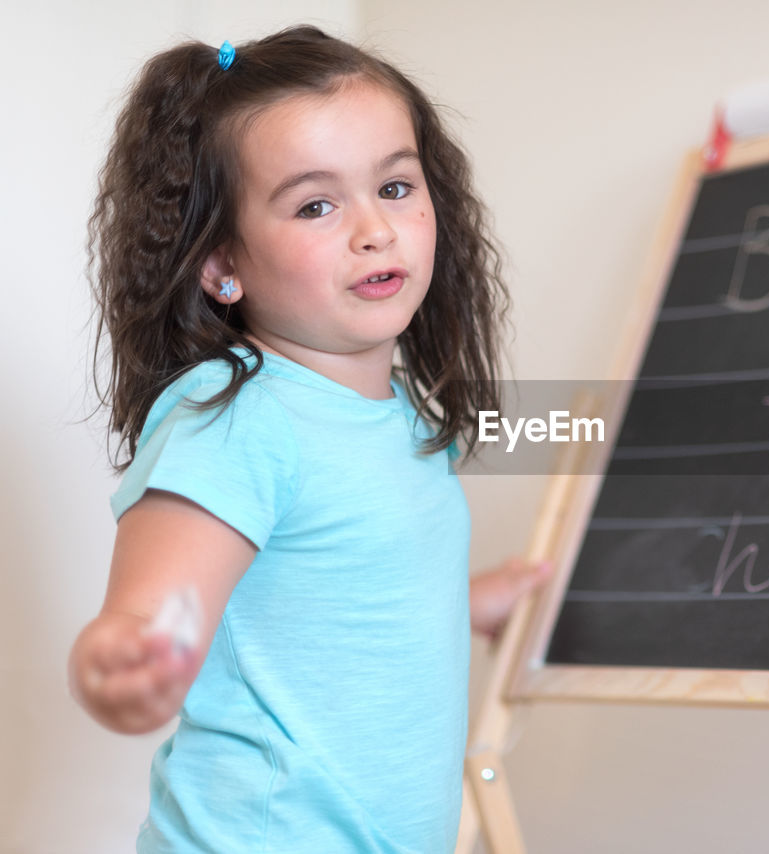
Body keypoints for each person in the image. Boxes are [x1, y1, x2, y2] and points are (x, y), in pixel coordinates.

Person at [66, 26, 549, 853]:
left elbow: (337, 614)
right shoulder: (236, 415)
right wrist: (125, 664)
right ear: (223, 267)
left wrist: (472, 602)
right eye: (316, 205)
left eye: (395, 187)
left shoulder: (401, 407)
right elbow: (151, 616)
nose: (374, 230)